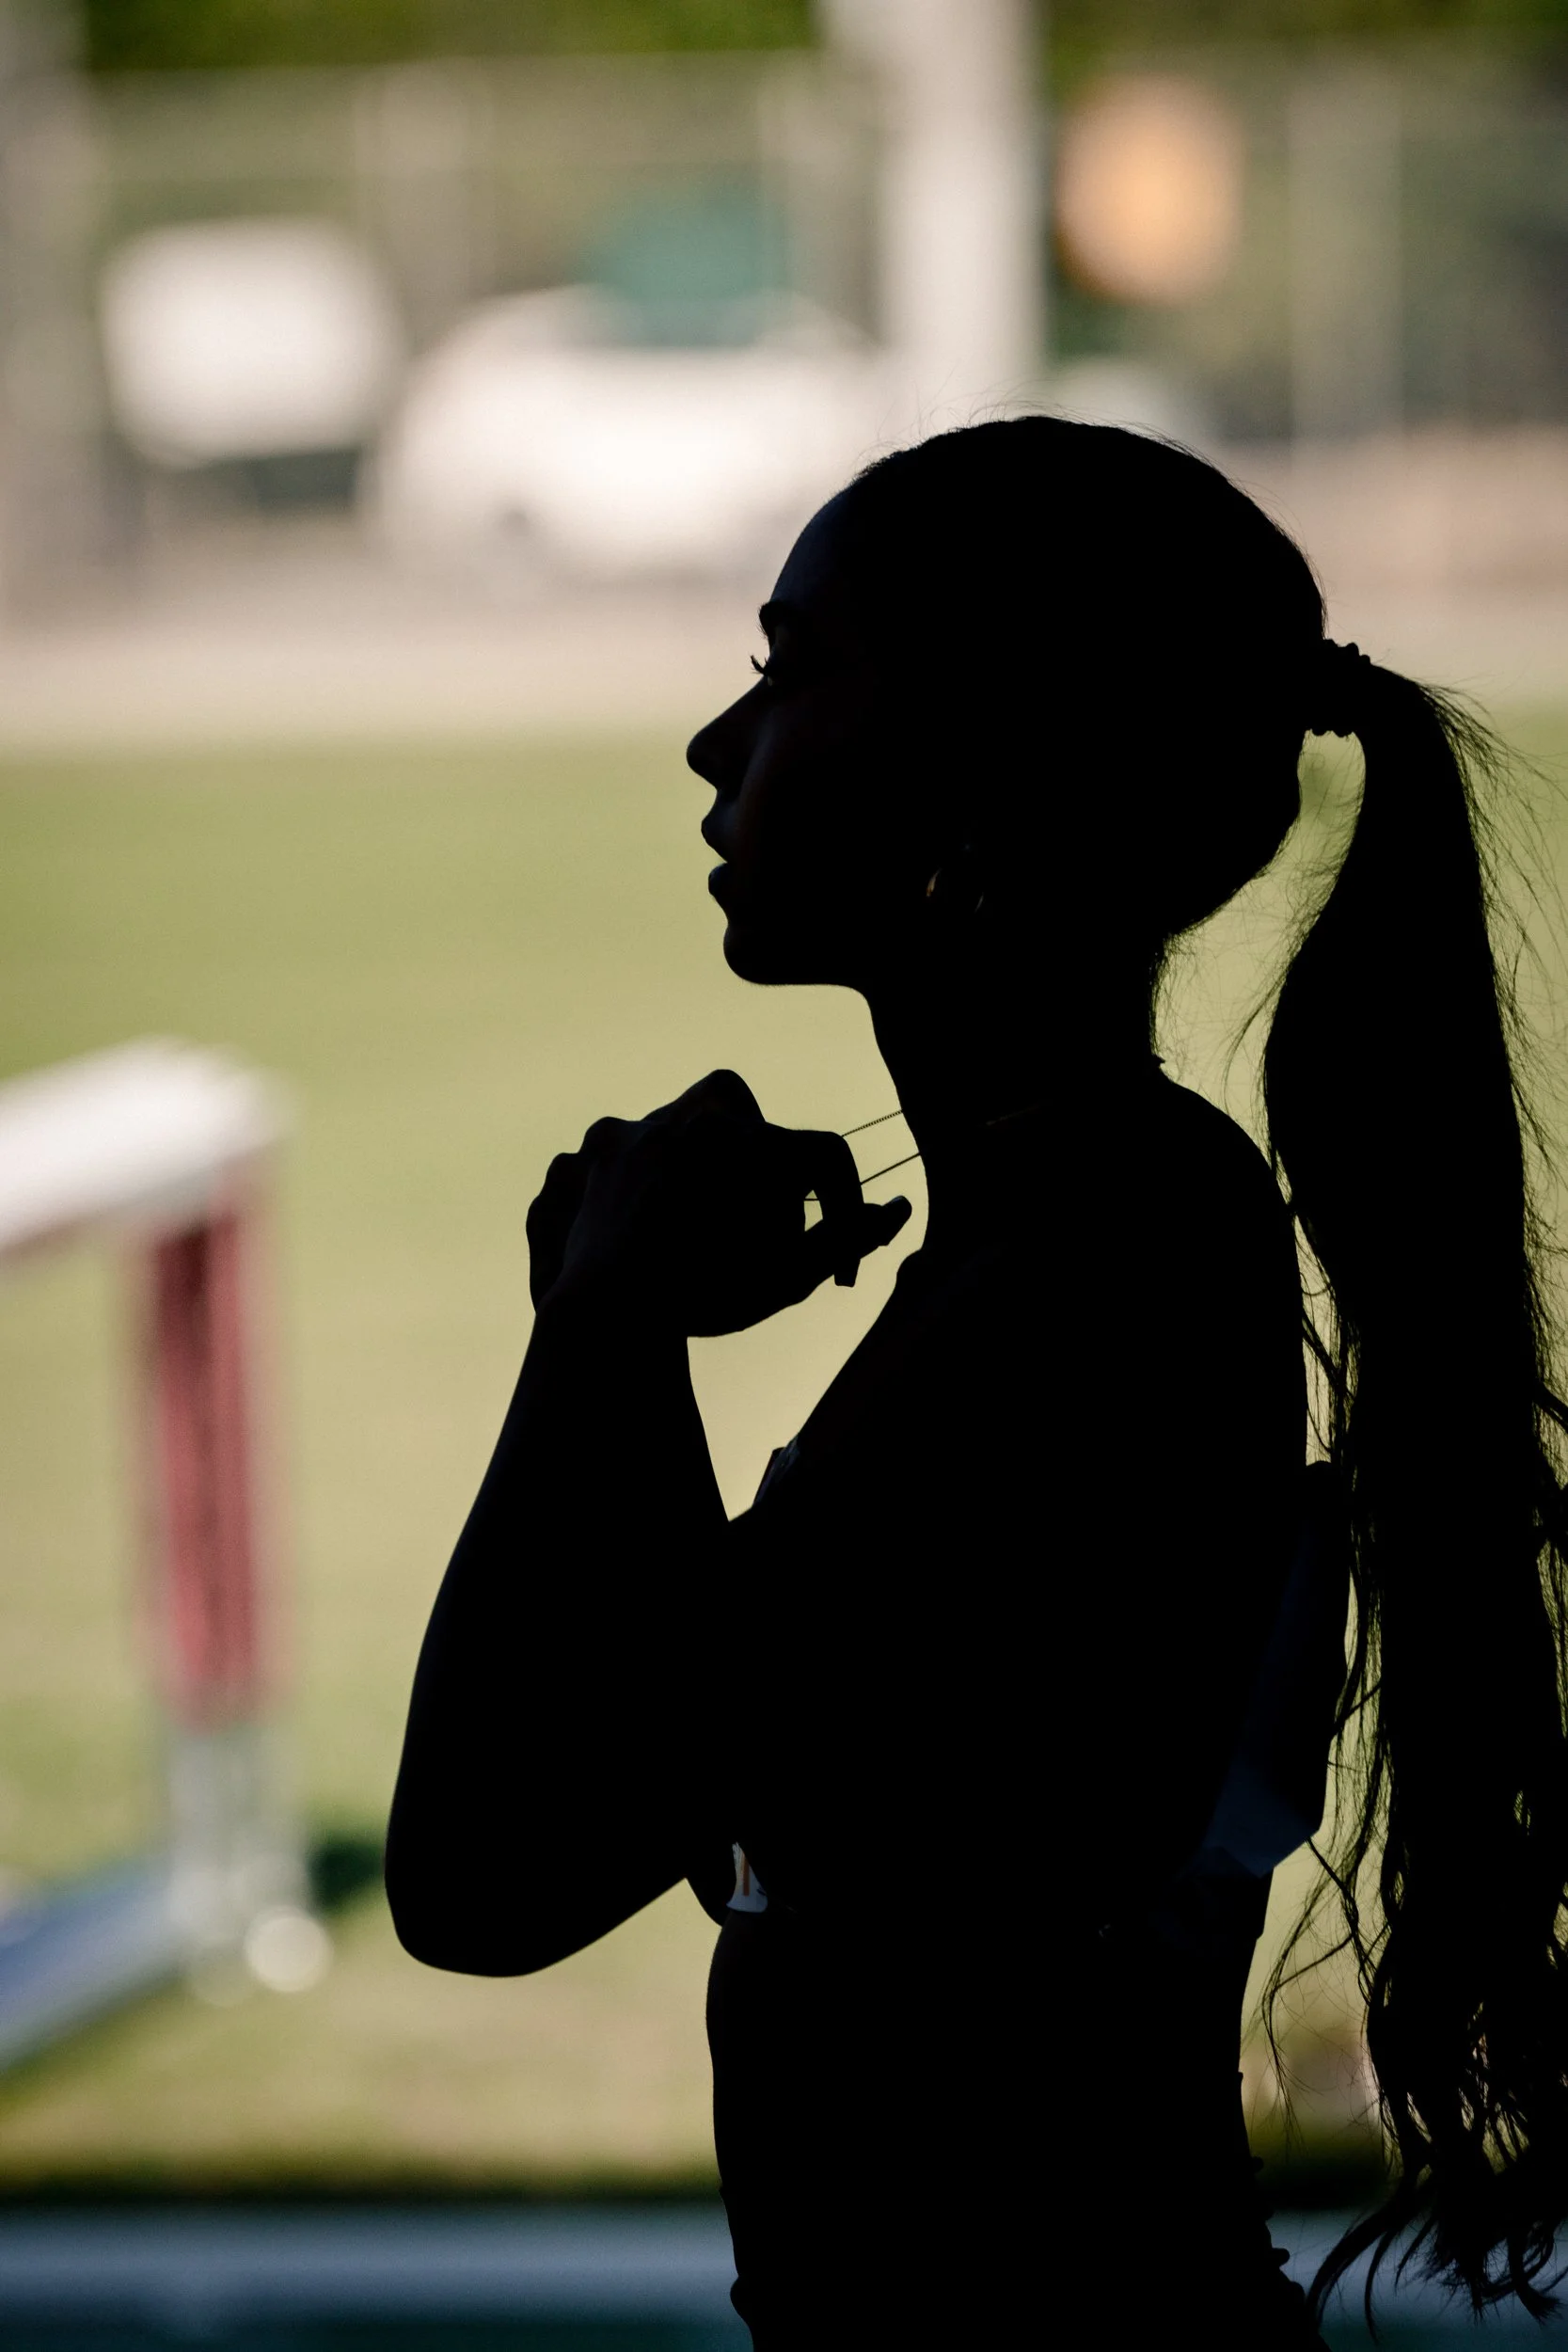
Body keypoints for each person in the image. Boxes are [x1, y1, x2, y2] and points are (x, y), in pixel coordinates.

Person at [386, 418, 1568, 2344]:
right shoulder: (1094, 1221)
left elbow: (486, 1864)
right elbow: (717, 1741)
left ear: (981, 782)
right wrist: (624, 1335)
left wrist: (598, 1329)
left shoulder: (1081, 1281)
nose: (717, 747)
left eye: (787, 673)